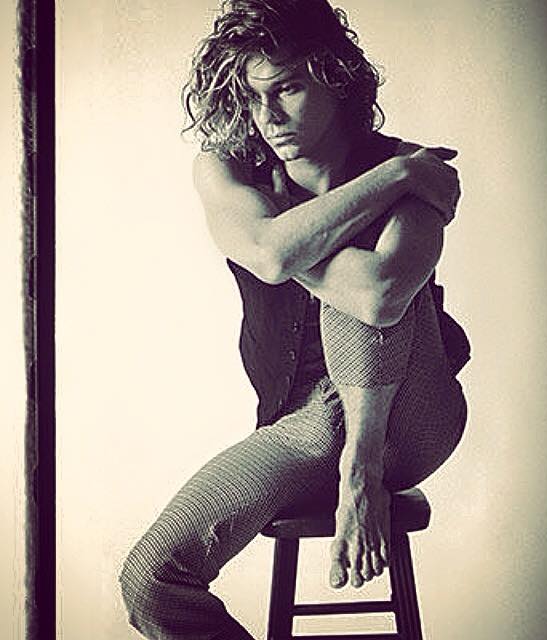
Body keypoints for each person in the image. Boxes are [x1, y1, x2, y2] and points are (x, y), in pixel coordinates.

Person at [119, 1, 469, 638]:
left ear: (336, 79)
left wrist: (283, 243)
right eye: (253, 98)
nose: (268, 116)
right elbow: (268, 255)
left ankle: (360, 470)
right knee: (151, 576)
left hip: (413, 417)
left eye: (286, 89)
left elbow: (379, 295)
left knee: (360, 291)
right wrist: (391, 180)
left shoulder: (418, 165)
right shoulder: (230, 169)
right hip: (303, 423)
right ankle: (350, 465)